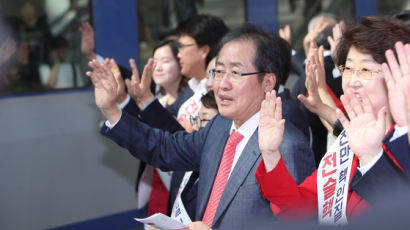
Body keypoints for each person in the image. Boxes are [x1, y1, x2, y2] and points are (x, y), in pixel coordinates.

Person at [87, 24, 315, 229]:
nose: (222, 84)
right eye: (218, 71)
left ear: (267, 82)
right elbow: (166, 148)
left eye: (235, 73)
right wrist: (111, 110)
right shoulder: (221, 125)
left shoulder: (287, 147)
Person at [255, 16, 410, 225]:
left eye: (365, 70)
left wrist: (372, 158)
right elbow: (298, 210)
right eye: (348, 68)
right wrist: (271, 154)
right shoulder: (347, 142)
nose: (352, 81)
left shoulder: (403, 143)